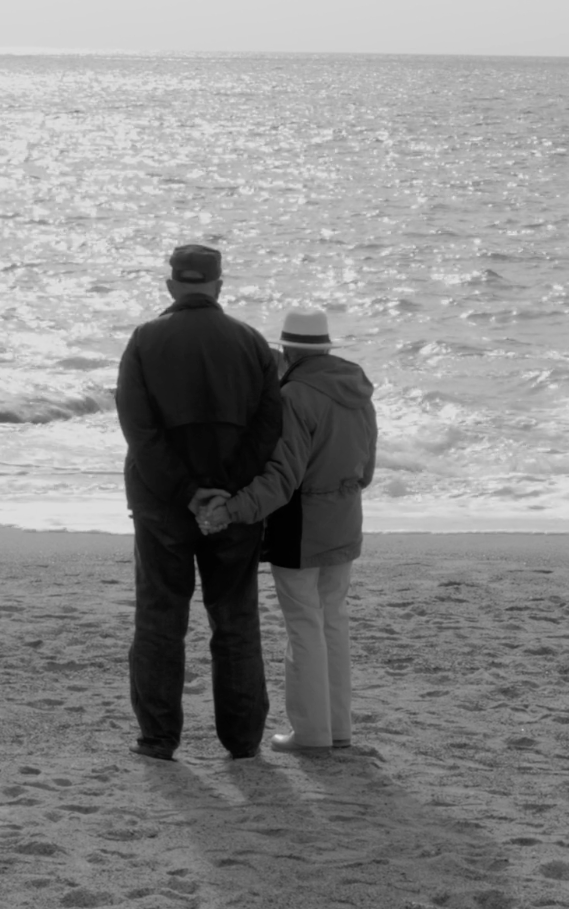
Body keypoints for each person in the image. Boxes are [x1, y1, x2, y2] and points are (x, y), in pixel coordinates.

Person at [116, 244, 284, 761]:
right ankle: (242, 739)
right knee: (234, 619)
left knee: (160, 618)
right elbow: (268, 428)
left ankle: (158, 738)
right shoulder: (250, 342)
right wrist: (224, 494)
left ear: (171, 286)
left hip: (163, 505)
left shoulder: (145, 340)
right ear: (219, 285)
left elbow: (140, 433)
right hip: (231, 507)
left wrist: (188, 494)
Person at [193, 306, 376, 753]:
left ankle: (311, 733)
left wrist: (232, 510)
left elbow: (282, 479)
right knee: (333, 620)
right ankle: (337, 729)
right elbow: (367, 470)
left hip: (302, 523)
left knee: (304, 625)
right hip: (345, 517)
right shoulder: (358, 389)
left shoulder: (295, 395)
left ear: (287, 351)